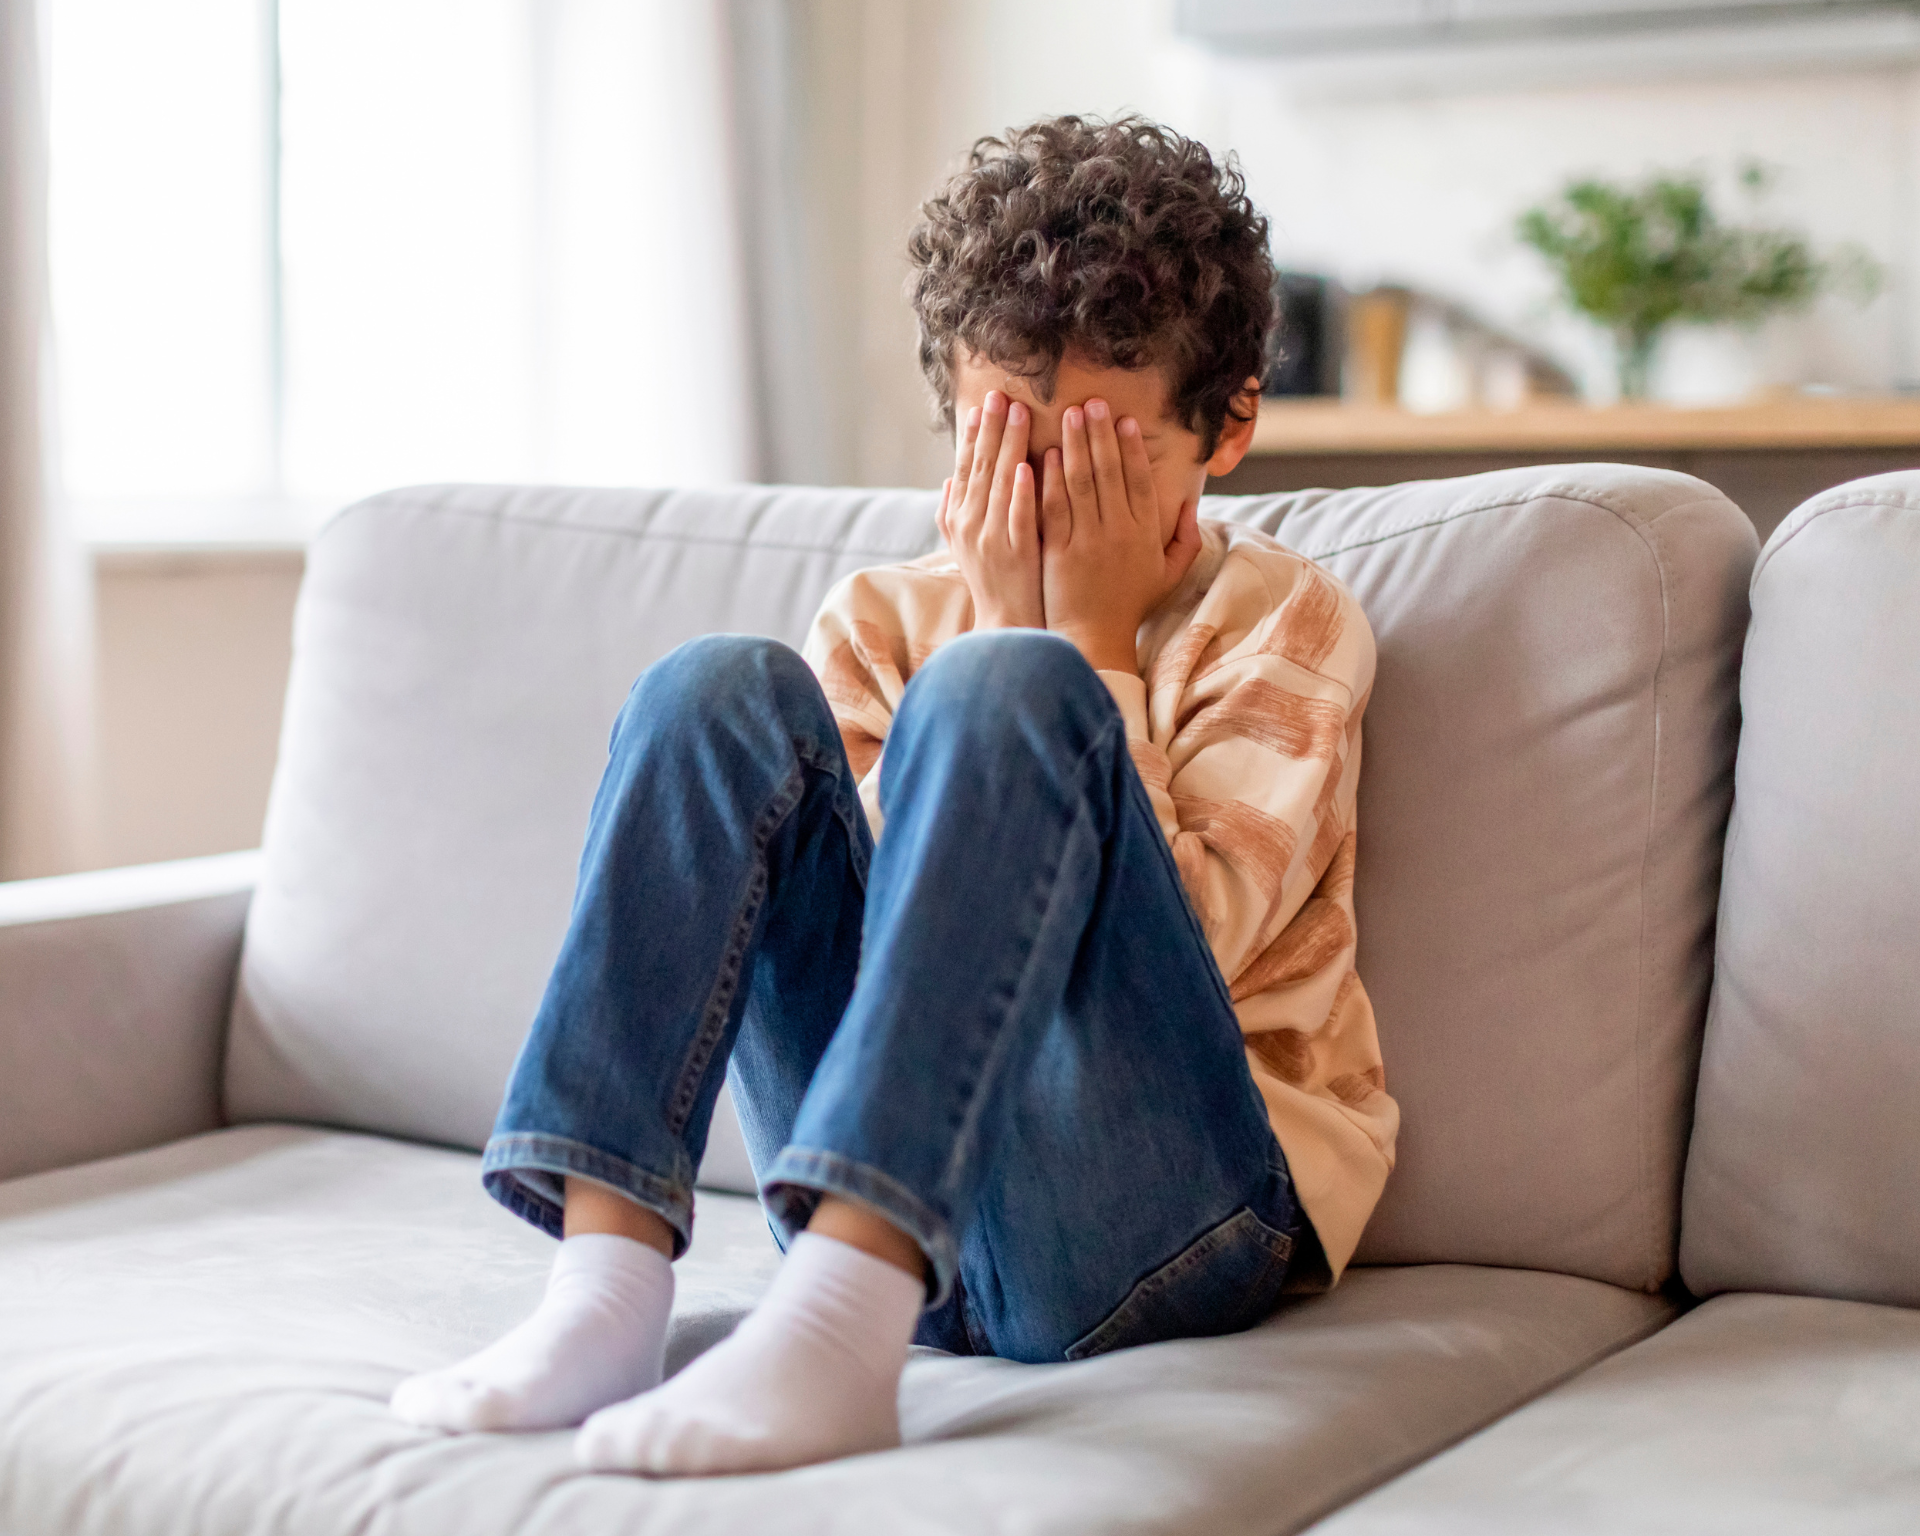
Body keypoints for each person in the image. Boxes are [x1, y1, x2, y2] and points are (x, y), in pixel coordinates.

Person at [390, 114, 1397, 1478]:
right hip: (940, 1205)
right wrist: (989, 629)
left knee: (1007, 690)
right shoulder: (875, 621)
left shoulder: (1281, 621)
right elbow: (887, 976)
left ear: (1225, 430)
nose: (1044, 510)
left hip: (1170, 1214)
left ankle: (844, 1325)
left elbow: (1197, 957)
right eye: (1006, 454)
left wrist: (1075, 654)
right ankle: (606, 1292)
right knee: (712, 688)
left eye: (1100, 461)